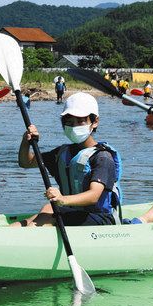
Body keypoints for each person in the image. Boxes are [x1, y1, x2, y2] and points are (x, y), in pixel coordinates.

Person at [11, 92, 123, 227]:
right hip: (70, 212)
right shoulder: (62, 153)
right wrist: (26, 141)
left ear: (94, 122)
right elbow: (26, 162)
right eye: (70, 122)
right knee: (27, 221)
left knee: (49, 210)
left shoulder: (103, 157)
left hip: (100, 220)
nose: (74, 126)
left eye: (80, 121)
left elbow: (94, 196)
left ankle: (29, 240)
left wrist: (62, 199)